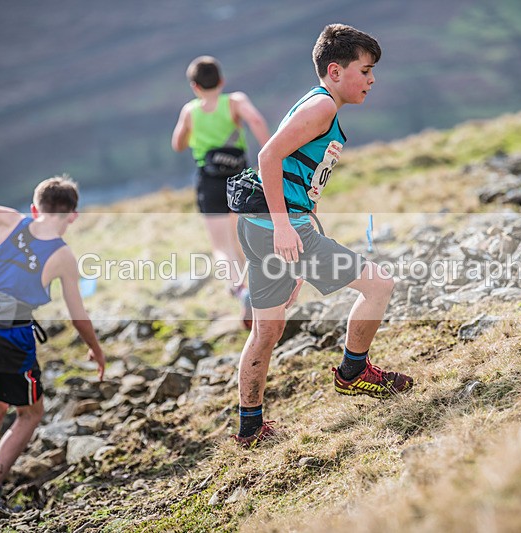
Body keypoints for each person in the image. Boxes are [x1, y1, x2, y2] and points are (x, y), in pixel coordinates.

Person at [231, 24, 413, 448]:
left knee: (267, 331)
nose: (372, 80)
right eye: (365, 70)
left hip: (263, 227)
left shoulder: (317, 105)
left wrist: (294, 225)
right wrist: (284, 228)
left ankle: (250, 428)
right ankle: (353, 372)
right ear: (335, 71)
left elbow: (296, 176)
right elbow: (267, 156)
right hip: (280, 228)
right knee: (379, 285)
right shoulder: (322, 108)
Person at [0, 125, 106, 520]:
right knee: (30, 414)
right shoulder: (64, 255)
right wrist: (96, 350)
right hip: (9, 336)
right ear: (73, 216)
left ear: (35, 209)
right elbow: (77, 315)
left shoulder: (9, 221)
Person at [171, 56, 270, 329]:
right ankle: (257, 291)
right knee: (243, 240)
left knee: (221, 247)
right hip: (239, 177)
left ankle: (240, 290)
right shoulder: (235, 102)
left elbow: (177, 144)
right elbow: (256, 120)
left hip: (209, 180)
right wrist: (269, 153)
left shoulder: (190, 111)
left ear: (194, 86)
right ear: (222, 81)